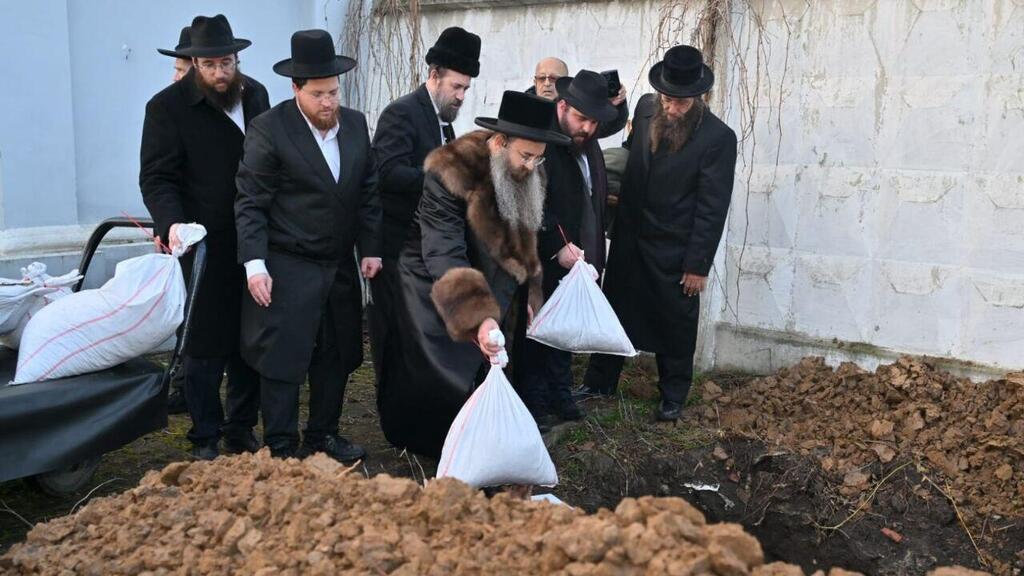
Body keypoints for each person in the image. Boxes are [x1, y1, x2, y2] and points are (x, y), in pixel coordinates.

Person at [378, 91, 570, 457]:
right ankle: (437, 455)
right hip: (434, 281)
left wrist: (526, 292)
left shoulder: (532, 170)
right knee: (442, 377)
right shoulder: (450, 171)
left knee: (494, 362)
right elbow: (444, 248)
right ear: (499, 142)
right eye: (525, 155)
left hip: (493, 278)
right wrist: (478, 316)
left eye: (539, 157)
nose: (532, 165)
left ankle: (484, 454)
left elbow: (522, 238)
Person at [234, 29, 382, 462]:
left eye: (334, 92)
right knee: (282, 357)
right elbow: (251, 201)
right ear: (296, 88)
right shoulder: (270, 129)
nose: (329, 103)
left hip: (337, 264)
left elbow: (368, 189)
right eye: (318, 94)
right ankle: (280, 444)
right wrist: (254, 264)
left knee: (336, 353)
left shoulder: (354, 124)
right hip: (287, 262)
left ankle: (323, 435)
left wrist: (370, 247)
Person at [580, 45, 737, 421]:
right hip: (631, 236)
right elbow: (633, 154)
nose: (671, 107)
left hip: (675, 246)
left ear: (698, 96)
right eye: (667, 98)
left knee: (675, 320)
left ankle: (673, 394)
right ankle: (600, 381)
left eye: (681, 102)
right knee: (615, 309)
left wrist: (698, 265)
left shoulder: (718, 138)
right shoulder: (646, 108)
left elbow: (712, 207)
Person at [140, 14, 267, 460]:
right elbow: (157, 178)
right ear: (193, 63)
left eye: (227, 63)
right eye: (210, 65)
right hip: (202, 243)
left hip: (254, 238)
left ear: (236, 60)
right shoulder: (166, 108)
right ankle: (205, 435)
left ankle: (241, 428)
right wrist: (170, 224)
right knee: (204, 344)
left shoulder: (255, 95)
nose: (220, 73)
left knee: (250, 339)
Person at [368, 26, 481, 413]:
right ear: (434, 76)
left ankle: (416, 409)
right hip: (396, 249)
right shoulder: (401, 113)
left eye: (466, 89)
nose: (461, 96)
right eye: (456, 87)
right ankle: (393, 412)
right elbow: (386, 174)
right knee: (394, 337)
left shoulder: (444, 122)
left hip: (424, 252)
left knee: (418, 338)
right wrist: (443, 175)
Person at [518, 70, 617, 429]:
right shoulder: (543, 141)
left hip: (571, 248)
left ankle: (559, 392)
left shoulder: (581, 141)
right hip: (539, 248)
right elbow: (536, 202)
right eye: (581, 118)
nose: (588, 128)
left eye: (593, 122)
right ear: (562, 106)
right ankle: (535, 401)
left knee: (561, 328)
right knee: (536, 326)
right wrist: (557, 244)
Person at [526, 57, 628, 139]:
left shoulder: (576, 109)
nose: (547, 83)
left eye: (553, 78)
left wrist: (616, 104)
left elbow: (607, 127)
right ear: (535, 82)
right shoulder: (523, 114)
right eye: (542, 78)